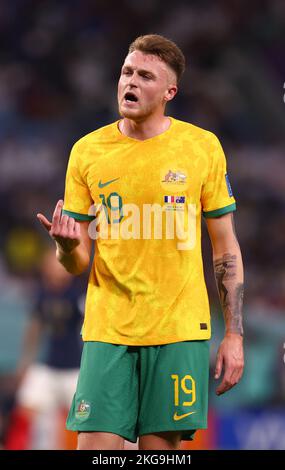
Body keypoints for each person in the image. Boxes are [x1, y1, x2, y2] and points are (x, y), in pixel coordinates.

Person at [37, 34, 244, 451]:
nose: (130, 81)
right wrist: (65, 246)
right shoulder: (87, 151)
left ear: (170, 91)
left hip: (178, 330)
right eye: (127, 71)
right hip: (108, 328)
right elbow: (78, 263)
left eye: (145, 75)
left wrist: (234, 335)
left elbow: (225, 248)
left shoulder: (201, 147)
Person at [13, 249, 84, 449]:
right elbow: (34, 328)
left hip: (75, 369)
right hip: (47, 365)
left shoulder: (78, 292)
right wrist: (25, 362)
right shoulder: (41, 292)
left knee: (85, 420)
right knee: (28, 410)